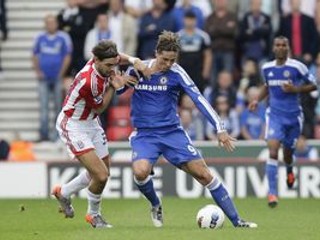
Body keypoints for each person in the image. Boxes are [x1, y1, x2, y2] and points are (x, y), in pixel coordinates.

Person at [119, 31, 257, 228]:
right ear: (157, 53)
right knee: (140, 172)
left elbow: (198, 99)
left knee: (205, 175)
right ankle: (156, 204)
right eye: (165, 59)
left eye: (172, 60)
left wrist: (220, 127)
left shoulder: (176, 72)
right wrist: (120, 80)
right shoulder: (139, 69)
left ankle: (237, 221)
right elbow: (118, 88)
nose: (168, 64)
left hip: (172, 133)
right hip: (145, 134)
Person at [52, 40, 144, 228]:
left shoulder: (105, 63)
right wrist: (114, 86)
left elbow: (120, 57)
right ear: (96, 60)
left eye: (114, 64)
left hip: (91, 122)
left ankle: (64, 192)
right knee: (100, 175)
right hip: (73, 124)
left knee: (104, 171)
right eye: (108, 65)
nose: (112, 68)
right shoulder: (89, 82)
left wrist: (134, 60)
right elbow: (100, 107)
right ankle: (94, 215)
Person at [248, 36, 317, 208]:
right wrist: (257, 100)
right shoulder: (267, 68)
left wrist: (296, 89)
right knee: (272, 149)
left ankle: (289, 169)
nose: (280, 48)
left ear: (288, 48)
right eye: (277, 45)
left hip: (294, 117)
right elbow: (267, 86)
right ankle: (272, 194)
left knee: (287, 154)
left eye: (283, 45)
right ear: (273, 48)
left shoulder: (297, 67)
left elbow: (314, 85)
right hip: (275, 115)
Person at [32, 14, 72, 141]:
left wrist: (61, 73)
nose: (50, 25)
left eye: (52, 22)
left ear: (56, 24)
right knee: (43, 107)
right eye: (48, 23)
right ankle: (44, 134)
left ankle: (57, 135)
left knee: (58, 107)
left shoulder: (63, 37)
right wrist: (38, 71)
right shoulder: (39, 38)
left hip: (57, 77)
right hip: (43, 78)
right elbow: (34, 55)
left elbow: (67, 56)